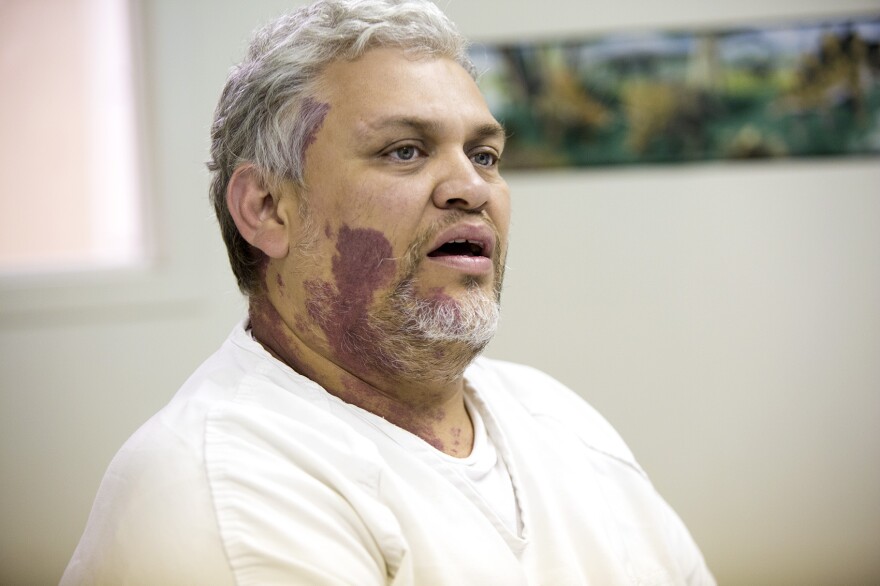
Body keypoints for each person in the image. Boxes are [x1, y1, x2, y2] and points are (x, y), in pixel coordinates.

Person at [62, 0, 715, 584]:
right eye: (405, 151)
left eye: (485, 155)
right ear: (266, 208)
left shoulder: (557, 416)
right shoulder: (222, 490)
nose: (472, 188)